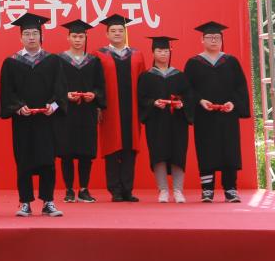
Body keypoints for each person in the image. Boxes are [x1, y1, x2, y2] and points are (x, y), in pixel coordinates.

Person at [0, 12, 66, 218]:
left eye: (35, 33)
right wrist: (18, 107)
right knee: (23, 161)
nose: (31, 37)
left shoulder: (53, 61)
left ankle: (48, 202)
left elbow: (60, 89)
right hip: (23, 121)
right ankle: (25, 202)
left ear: (41, 36)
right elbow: (7, 92)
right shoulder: (11, 63)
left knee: (48, 161)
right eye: (27, 34)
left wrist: (53, 105)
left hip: (47, 120)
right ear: (20, 37)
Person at [183, 21, 250, 203]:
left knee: (230, 150)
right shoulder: (194, 63)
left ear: (221, 40)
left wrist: (233, 103)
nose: (214, 40)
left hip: (227, 115)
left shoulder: (231, 62)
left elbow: (240, 88)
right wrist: (200, 101)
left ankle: (230, 189)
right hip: (204, 116)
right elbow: (187, 89)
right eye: (210, 37)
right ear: (202, 39)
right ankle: (207, 190)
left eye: (217, 37)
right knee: (206, 150)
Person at [94, 13, 146, 202]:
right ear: (107, 34)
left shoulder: (137, 55)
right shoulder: (99, 55)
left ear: (125, 33)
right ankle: (115, 190)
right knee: (112, 148)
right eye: (113, 31)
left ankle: (127, 190)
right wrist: (98, 107)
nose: (117, 33)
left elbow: (143, 84)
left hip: (132, 110)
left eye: (120, 30)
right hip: (110, 110)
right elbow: (96, 83)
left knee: (130, 149)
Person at [55, 19, 106, 203]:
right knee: (66, 152)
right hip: (67, 112)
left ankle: (84, 189)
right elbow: (54, 86)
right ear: (68, 38)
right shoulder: (59, 60)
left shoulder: (94, 61)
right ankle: (69, 189)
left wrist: (94, 95)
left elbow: (100, 86)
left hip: (87, 111)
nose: (78, 40)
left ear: (86, 38)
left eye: (81, 36)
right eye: (74, 36)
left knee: (86, 151)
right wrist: (65, 95)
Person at [137, 36, 191, 203]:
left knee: (178, 153)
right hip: (156, 121)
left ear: (170, 52)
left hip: (177, 121)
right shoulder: (146, 76)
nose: (163, 53)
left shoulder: (180, 76)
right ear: (153, 52)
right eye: (159, 50)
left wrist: (182, 104)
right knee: (158, 153)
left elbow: (189, 97)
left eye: (166, 50)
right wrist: (153, 103)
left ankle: (178, 190)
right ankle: (163, 190)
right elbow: (141, 99)